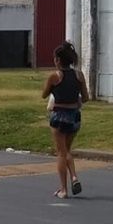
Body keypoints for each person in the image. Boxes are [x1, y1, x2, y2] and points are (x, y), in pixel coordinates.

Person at [41, 41, 89, 199]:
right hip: (74, 116)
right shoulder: (79, 75)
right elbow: (86, 98)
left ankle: (64, 189)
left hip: (59, 116)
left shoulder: (55, 76)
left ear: (58, 60)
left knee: (61, 153)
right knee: (67, 150)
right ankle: (73, 177)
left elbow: (44, 94)